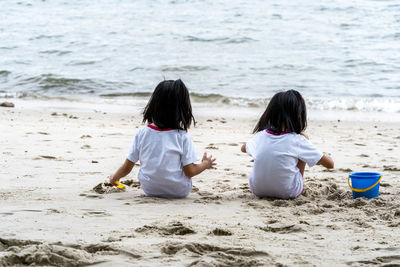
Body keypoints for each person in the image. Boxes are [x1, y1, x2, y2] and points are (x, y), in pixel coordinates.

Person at [110, 79, 216, 198]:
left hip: (149, 189)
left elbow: (127, 167)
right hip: (179, 191)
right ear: (183, 109)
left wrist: (115, 178)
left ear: (154, 105)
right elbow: (190, 171)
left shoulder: (143, 133)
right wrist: (205, 164)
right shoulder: (182, 137)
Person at [241, 90, 334, 199]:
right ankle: (298, 187)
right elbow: (330, 164)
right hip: (288, 192)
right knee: (302, 148)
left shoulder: (261, 136)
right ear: (299, 115)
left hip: (257, 190)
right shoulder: (298, 140)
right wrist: (307, 144)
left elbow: (243, 148)